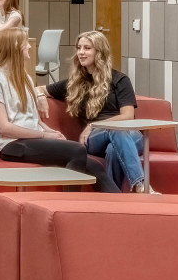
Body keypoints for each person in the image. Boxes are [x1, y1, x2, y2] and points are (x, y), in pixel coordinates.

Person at [47, 29, 149, 193]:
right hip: (95, 139)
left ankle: (113, 198)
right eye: (79, 48)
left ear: (99, 52)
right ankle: (140, 185)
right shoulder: (74, 84)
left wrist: (93, 124)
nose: (81, 52)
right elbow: (39, 89)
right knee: (116, 133)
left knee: (114, 148)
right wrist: (38, 97)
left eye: (87, 48)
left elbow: (128, 116)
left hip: (130, 135)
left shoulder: (120, 80)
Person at [0, 26, 89, 169]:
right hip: (13, 145)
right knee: (77, 150)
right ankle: (68, 193)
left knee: (94, 167)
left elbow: (34, 119)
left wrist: (51, 132)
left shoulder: (25, 77)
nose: (29, 46)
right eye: (26, 42)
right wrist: (43, 136)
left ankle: (119, 193)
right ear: (16, 46)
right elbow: (4, 128)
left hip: (32, 140)